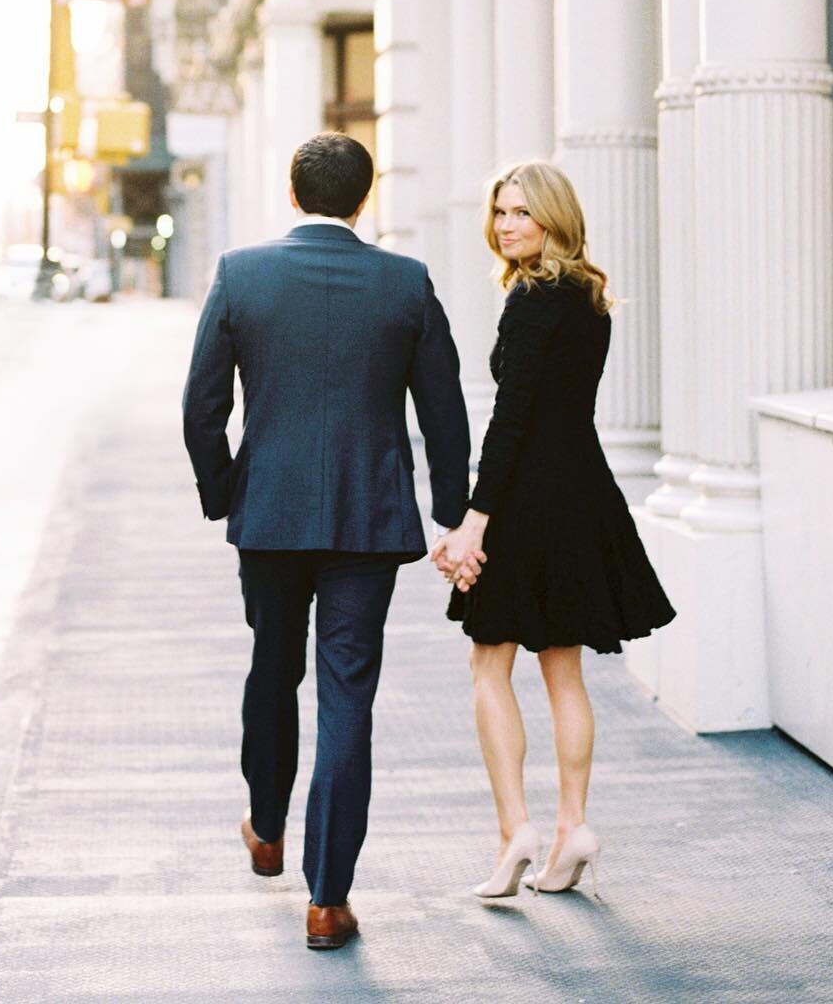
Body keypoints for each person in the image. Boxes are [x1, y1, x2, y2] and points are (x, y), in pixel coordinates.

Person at [181, 132, 478, 951]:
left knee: (273, 666)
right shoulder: (405, 283)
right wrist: (452, 509)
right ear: (364, 197)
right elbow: (444, 411)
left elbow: (201, 406)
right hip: (366, 523)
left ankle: (267, 828)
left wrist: (223, 493)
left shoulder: (242, 274)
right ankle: (327, 899)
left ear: (291, 193)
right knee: (347, 697)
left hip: (269, 519)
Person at [433, 160, 675, 901]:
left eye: (521, 213)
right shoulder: (588, 296)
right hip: (581, 493)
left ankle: (519, 833)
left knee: (489, 667)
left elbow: (512, 421)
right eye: (500, 212)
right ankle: (574, 829)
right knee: (562, 670)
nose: (507, 226)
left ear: (553, 219)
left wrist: (475, 521)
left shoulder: (533, 298)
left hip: (530, 501)